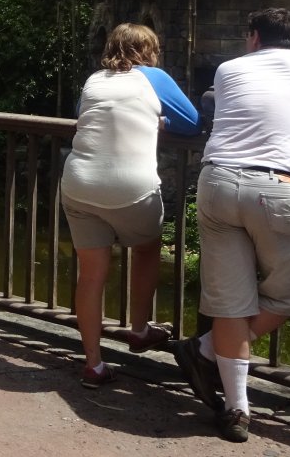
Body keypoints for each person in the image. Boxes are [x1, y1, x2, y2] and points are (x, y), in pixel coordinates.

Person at [171, 7, 290, 442]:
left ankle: (237, 408)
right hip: (276, 187)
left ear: (254, 37)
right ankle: (203, 350)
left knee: (228, 301)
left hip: (218, 181)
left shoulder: (229, 69)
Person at [60, 23, 201, 387]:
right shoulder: (152, 77)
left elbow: (85, 116)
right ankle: (139, 330)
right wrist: (161, 120)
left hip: (79, 183)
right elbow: (191, 122)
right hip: (130, 188)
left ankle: (93, 365)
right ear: (148, 51)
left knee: (91, 274)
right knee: (146, 248)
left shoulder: (95, 79)